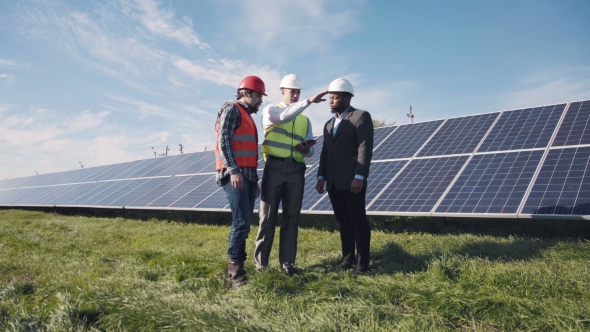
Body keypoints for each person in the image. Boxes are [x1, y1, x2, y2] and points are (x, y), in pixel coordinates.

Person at [254, 74, 328, 276]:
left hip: (296, 170)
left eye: (298, 92)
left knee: (291, 218)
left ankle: (288, 264)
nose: (295, 95)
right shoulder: (272, 110)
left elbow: (311, 152)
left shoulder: (305, 120)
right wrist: (309, 101)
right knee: (267, 218)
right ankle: (261, 266)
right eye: (292, 91)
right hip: (275, 168)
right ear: (283, 92)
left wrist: (305, 149)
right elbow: (284, 117)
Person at [315, 78, 374, 277]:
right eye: (330, 97)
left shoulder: (360, 116)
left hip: (352, 180)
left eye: (335, 97)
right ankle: (347, 259)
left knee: (358, 220)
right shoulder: (329, 124)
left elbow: (364, 147)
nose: (331, 101)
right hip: (332, 181)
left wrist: (359, 175)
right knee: (343, 220)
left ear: (347, 98)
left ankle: (362, 264)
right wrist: (321, 176)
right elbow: (325, 153)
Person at [215, 75, 265, 288]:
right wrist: (234, 171)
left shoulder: (246, 114)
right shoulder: (232, 110)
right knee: (240, 222)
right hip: (235, 175)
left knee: (244, 222)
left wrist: (254, 180)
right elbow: (224, 140)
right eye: (259, 96)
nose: (261, 101)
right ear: (246, 93)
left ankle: (238, 268)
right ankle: (235, 273)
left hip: (248, 176)